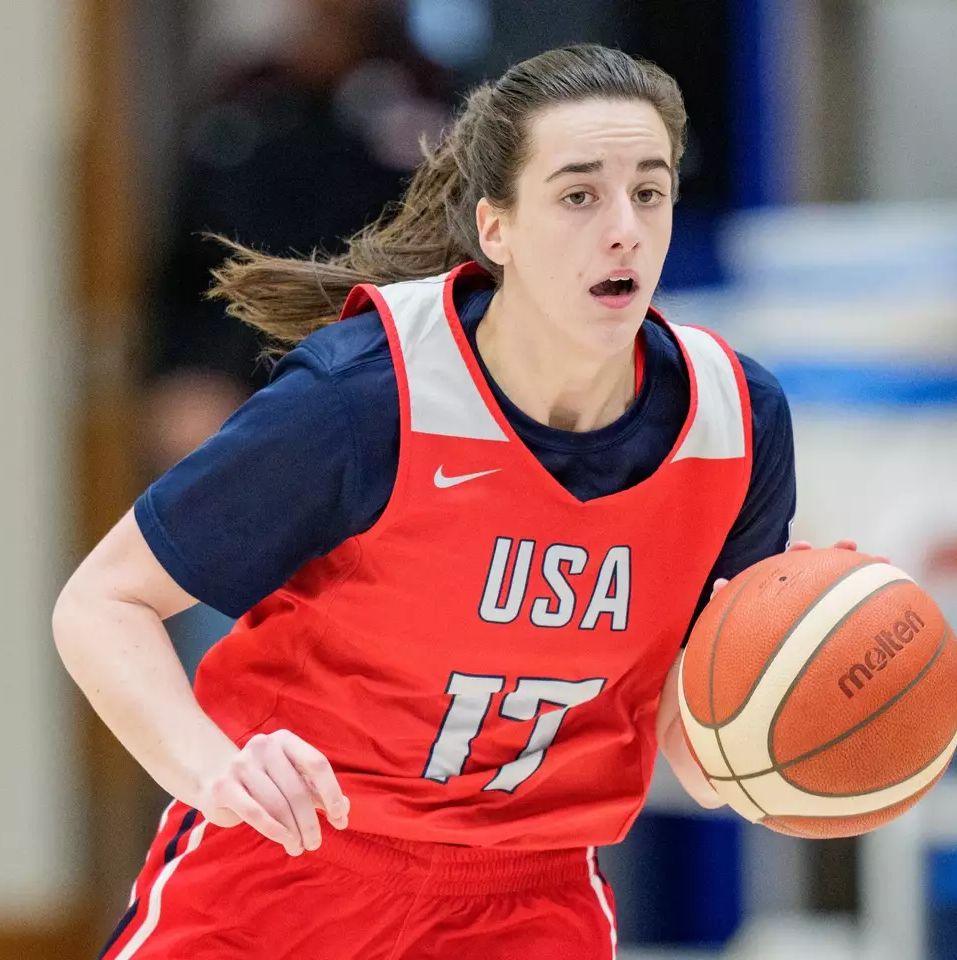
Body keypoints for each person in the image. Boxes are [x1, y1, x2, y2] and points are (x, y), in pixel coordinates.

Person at [56, 43, 820, 960]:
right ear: (496, 228)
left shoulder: (735, 423)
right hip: (291, 874)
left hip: (527, 898)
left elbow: (697, 752)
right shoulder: (366, 398)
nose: (624, 227)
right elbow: (103, 602)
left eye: (648, 193)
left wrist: (804, 706)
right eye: (580, 195)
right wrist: (217, 773)